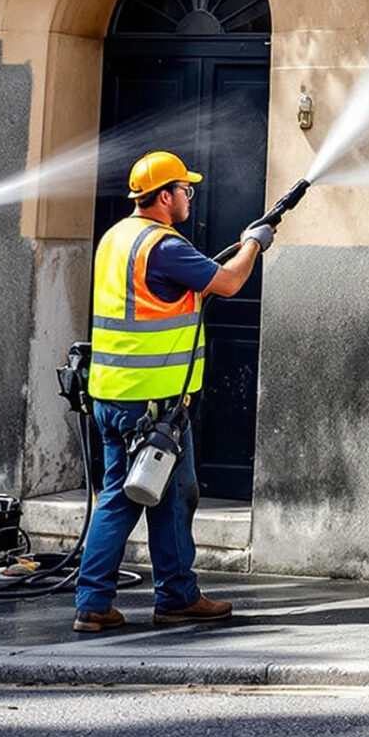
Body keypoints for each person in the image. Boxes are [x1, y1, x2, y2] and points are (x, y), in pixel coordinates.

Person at [72, 150, 271, 633]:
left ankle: (134, 599)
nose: (189, 197)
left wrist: (203, 274)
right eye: (185, 190)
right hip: (153, 403)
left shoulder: (119, 237)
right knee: (151, 495)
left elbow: (159, 295)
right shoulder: (164, 244)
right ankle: (139, 598)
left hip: (113, 393)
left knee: (145, 494)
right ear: (164, 197)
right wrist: (253, 244)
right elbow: (228, 283)